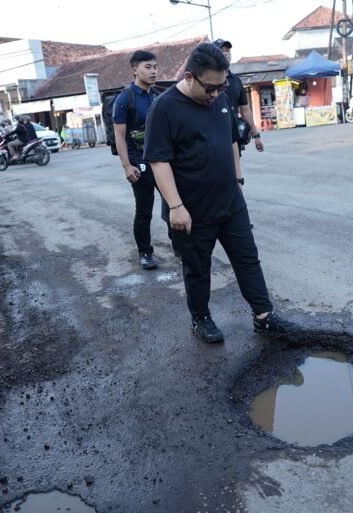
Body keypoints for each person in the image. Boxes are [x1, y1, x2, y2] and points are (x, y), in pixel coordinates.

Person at [144, 43, 300, 343]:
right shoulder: (164, 108)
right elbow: (158, 161)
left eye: (222, 86)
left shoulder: (222, 97)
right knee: (198, 268)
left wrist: (238, 178)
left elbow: (230, 141)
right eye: (211, 88)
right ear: (190, 77)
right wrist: (175, 206)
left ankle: (263, 316)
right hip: (190, 209)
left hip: (230, 200)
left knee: (247, 258)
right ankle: (201, 319)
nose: (216, 94)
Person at [113, 50, 161, 270]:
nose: (153, 71)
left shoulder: (157, 95)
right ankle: (145, 252)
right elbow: (119, 136)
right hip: (139, 163)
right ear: (134, 70)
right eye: (147, 67)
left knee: (174, 205)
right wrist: (127, 166)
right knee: (144, 210)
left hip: (163, 161)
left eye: (154, 67)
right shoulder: (125, 99)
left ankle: (181, 248)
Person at [212, 38, 264, 153]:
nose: (226, 53)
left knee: (235, 169)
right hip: (214, 138)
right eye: (221, 50)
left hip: (235, 136)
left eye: (228, 51)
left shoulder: (236, 81)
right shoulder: (208, 79)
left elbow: (245, 110)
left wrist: (256, 135)